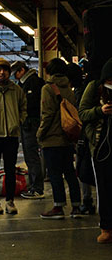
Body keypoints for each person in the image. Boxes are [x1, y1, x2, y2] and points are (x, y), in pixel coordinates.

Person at [37, 58, 83, 219]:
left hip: (52, 139)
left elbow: (47, 115)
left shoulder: (48, 88)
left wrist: (40, 134)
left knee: (55, 173)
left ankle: (58, 207)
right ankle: (76, 207)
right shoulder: (69, 89)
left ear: (49, 71)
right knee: (70, 172)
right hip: (67, 137)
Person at [0, 58, 27, 215]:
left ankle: (10, 201)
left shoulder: (16, 90)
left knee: (11, 169)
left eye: (5, 70)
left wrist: (19, 121)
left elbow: (24, 107)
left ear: (9, 73)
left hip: (11, 135)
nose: (1, 72)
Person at [79, 57, 112, 242]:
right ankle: (106, 228)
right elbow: (82, 113)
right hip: (100, 146)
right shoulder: (94, 87)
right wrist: (101, 111)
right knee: (104, 189)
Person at [11, 60, 46, 199]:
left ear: (22, 70)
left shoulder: (33, 82)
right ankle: (34, 186)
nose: (15, 77)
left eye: (16, 74)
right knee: (32, 156)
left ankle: (36, 188)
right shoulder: (25, 83)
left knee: (32, 156)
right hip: (28, 125)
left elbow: (31, 105)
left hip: (32, 124)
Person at [68, 62, 96, 215]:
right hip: (91, 133)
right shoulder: (91, 86)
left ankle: (87, 200)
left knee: (83, 166)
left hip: (85, 135)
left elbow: (81, 113)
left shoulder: (80, 90)